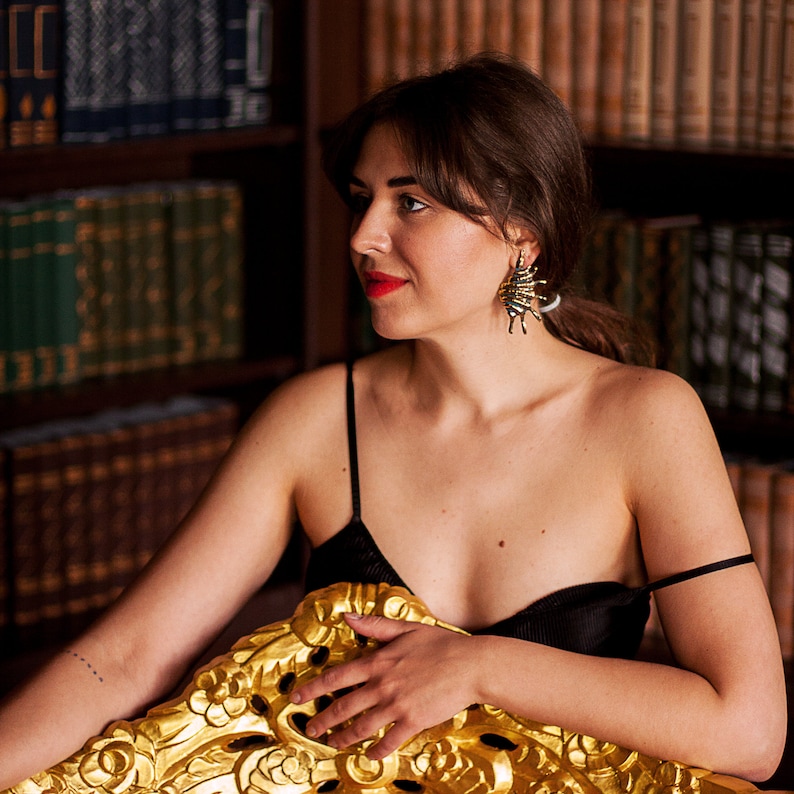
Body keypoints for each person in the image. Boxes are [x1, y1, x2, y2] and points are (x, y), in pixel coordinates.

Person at [0, 53, 786, 788]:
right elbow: (125, 657)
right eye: (361, 198)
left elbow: (748, 728)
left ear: (522, 234)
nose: (362, 238)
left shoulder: (647, 419)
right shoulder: (312, 419)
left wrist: (478, 668)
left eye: (410, 202)